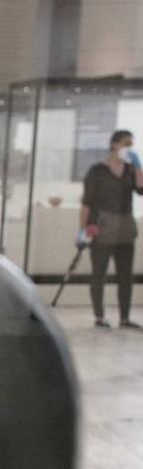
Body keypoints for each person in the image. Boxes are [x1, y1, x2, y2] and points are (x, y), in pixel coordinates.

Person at [80, 128, 143, 328]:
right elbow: (87, 203)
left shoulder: (130, 171)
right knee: (99, 273)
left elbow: (142, 190)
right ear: (114, 145)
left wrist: (138, 167)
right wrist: (83, 230)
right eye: (126, 144)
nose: (129, 148)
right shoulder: (97, 170)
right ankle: (99, 316)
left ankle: (124, 318)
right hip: (101, 230)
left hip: (125, 230)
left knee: (125, 276)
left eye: (131, 145)